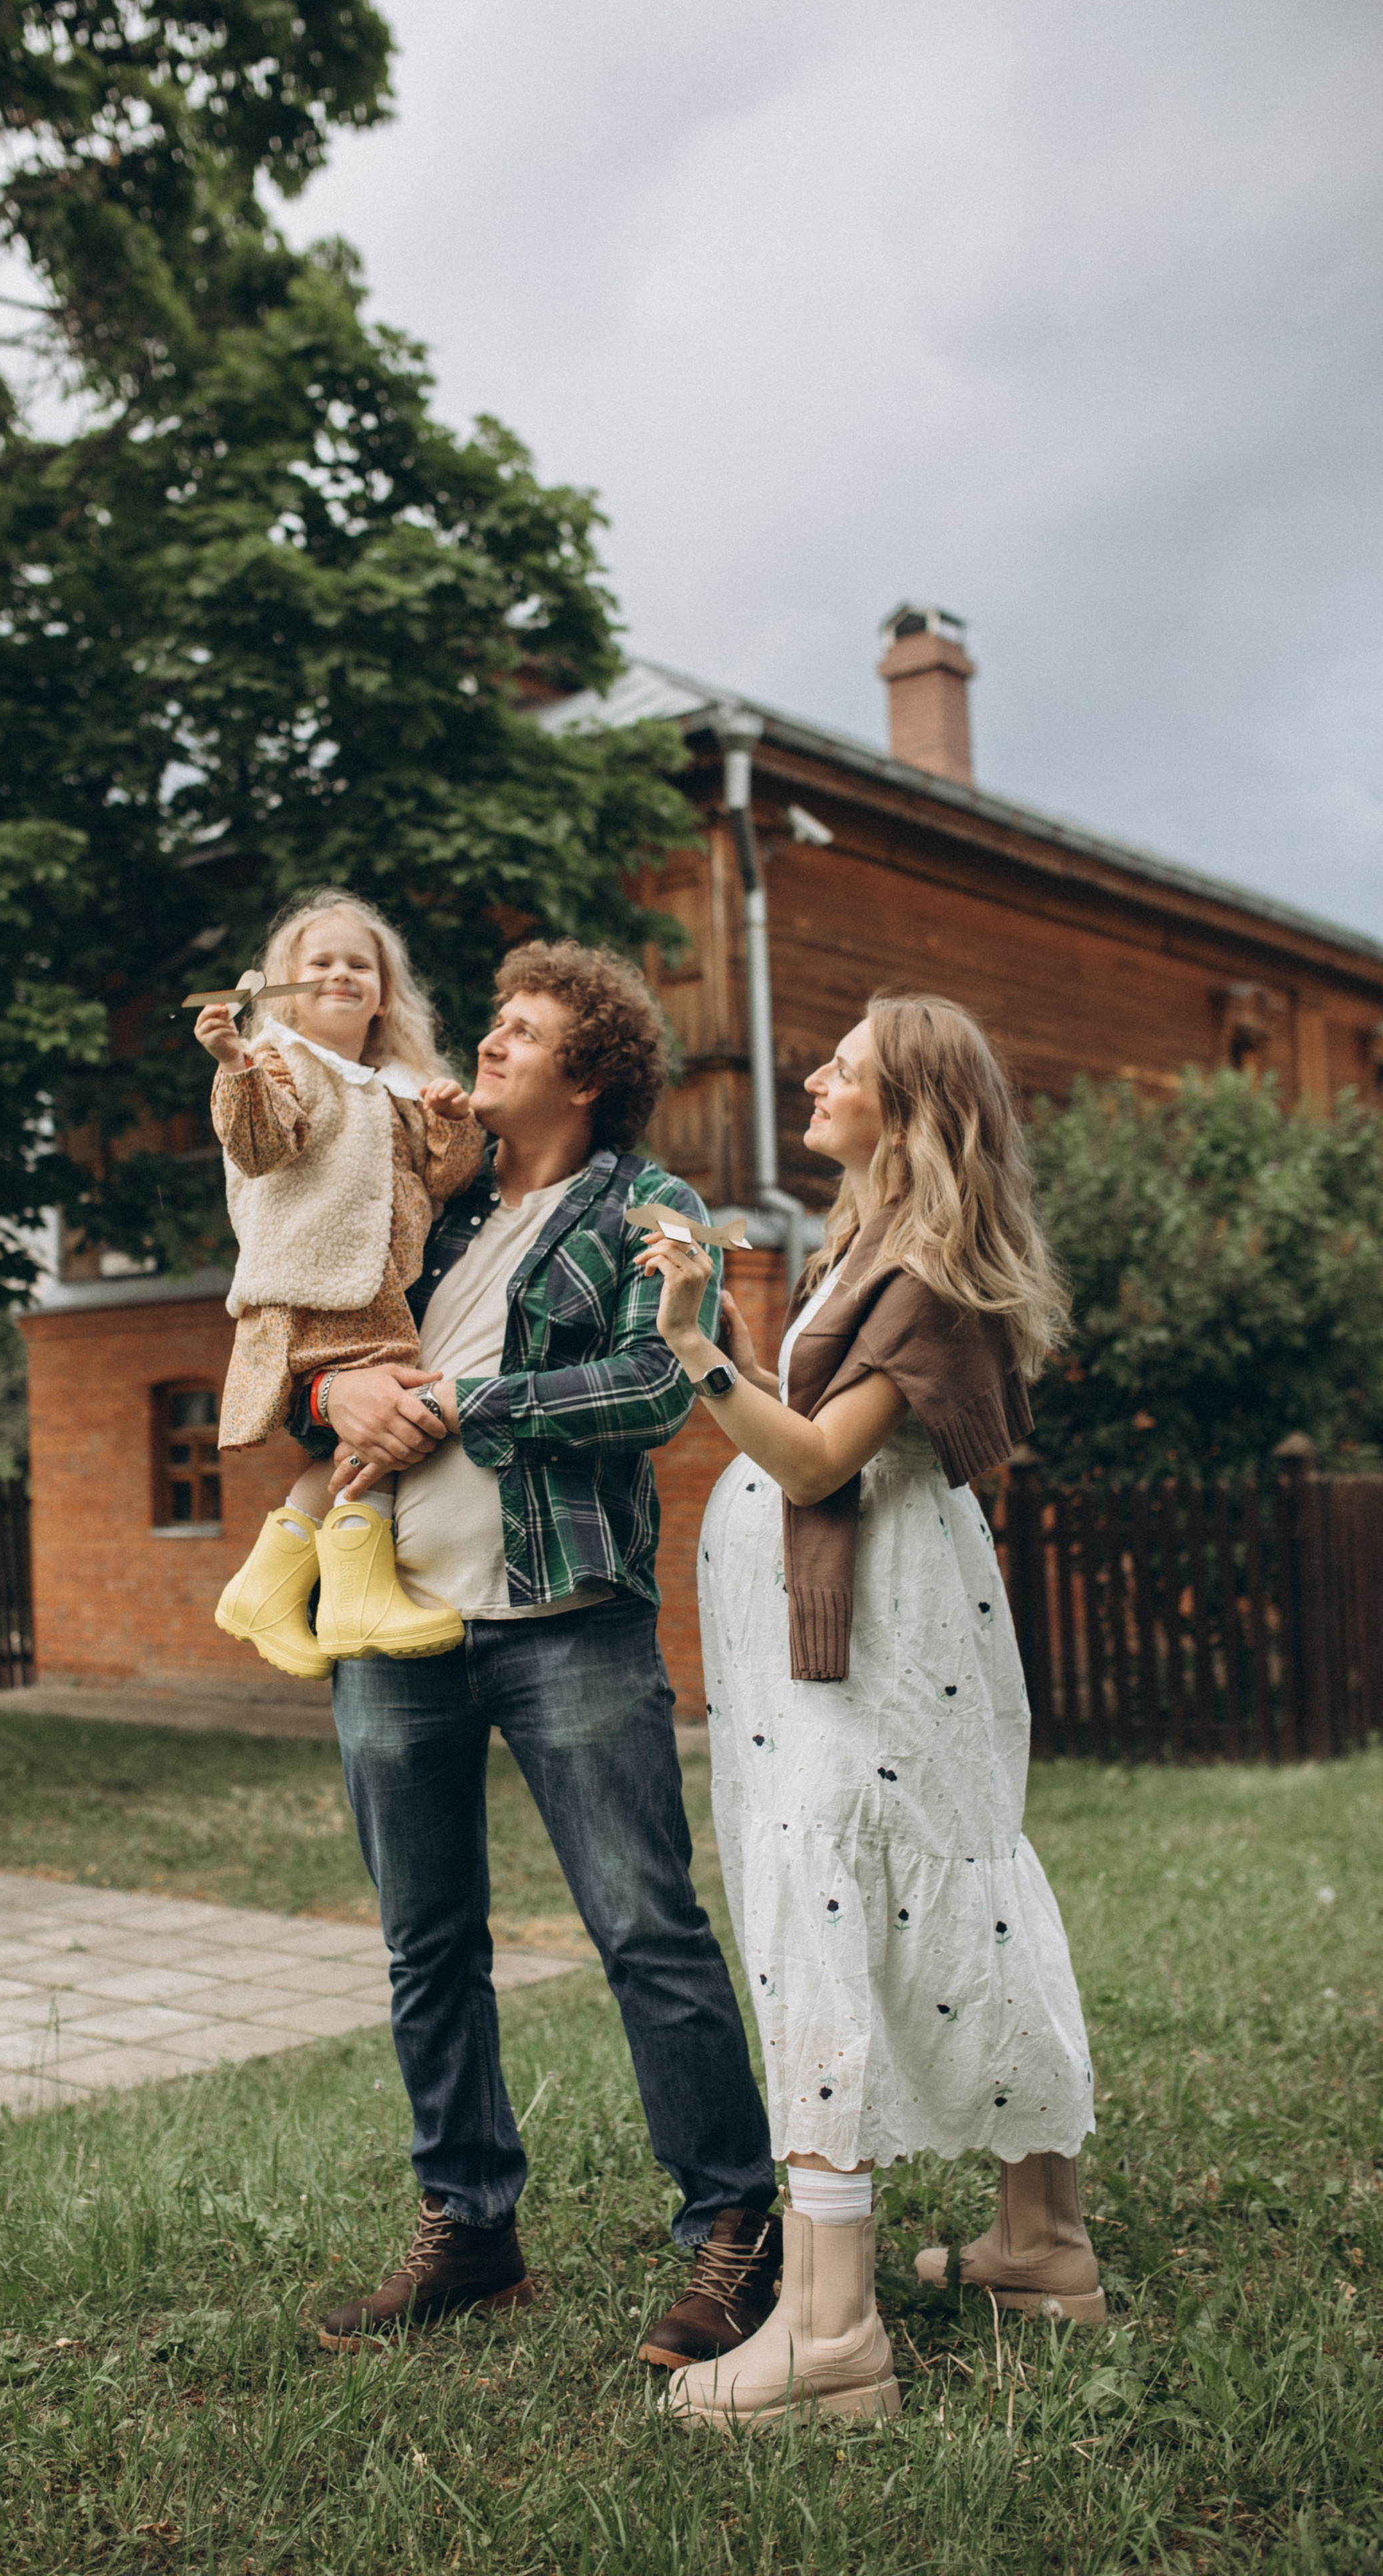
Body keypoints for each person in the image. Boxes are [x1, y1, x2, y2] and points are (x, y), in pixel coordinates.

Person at [306, 941, 781, 2363]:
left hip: (563, 1615)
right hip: (393, 1621)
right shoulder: (420, 1213)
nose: (487, 1045)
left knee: (645, 1930)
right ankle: (470, 2230)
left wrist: (466, 1398)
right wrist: (335, 1395)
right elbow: (307, 1350)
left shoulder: (647, 1204)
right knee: (425, 1944)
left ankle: (732, 2233)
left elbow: (649, 1384)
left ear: (586, 1074)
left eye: (520, 1032)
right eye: (493, 1023)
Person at [637, 994, 1100, 2430]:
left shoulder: (918, 1274)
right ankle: (1040, 2248)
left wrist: (695, 1339)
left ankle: (829, 2334)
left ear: (905, 1108)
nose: (813, 1077)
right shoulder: (874, 1248)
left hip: (879, 1649)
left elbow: (820, 1463)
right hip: (888, 1638)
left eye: (844, 1067)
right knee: (961, 1880)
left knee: (823, 1897)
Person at [196, 892, 486, 1676]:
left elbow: (449, 1180)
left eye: (360, 964)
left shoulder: (397, 1086)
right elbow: (259, 1146)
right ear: (283, 988)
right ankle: (352, 1598)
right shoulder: (279, 1064)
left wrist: (453, 1121)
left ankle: (273, 1587)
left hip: (377, 1301)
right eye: (319, 962)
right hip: (311, 1291)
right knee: (389, 1429)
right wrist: (234, 1064)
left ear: (384, 993)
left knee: (375, 1437)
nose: (340, 974)